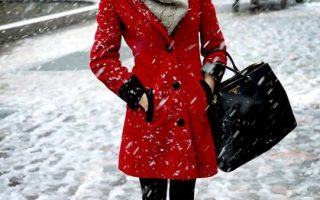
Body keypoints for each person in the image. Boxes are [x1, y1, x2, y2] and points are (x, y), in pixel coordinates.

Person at [89, 0, 227, 199]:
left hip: (189, 113)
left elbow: (215, 47)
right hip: (150, 118)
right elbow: (101, 58)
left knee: (185, 195)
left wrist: (206, 88)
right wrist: (140, 96)